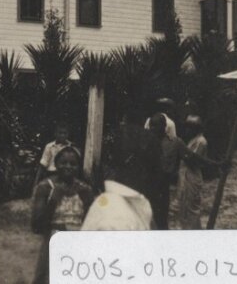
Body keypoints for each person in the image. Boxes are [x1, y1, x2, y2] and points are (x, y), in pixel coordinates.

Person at [81, 111, 158, 231]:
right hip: (138, 186)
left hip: (121, 184)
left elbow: (104, 160)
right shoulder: (150, 137)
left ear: (125, 118)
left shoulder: (116, 133)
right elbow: (155, 167)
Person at [30, 146, 93, 284]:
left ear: (78, 167)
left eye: (73, 164)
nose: (68, 167)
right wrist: (53, 200)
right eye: (63, 163)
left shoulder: (85, 190)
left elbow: (92, 225)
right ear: (55, 164)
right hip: (53, 244)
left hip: (78, 246)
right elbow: (36, 226)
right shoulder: (46, 187)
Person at [177, 116, 215, 229]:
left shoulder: (201, 141)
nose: (187, 130)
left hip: (192, 176)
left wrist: (180, 149)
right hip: (186, 176)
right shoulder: (193, 140)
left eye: (189, 128)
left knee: (192, 209)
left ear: (195, 128)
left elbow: (193, 160)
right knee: (184, 206)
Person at [33, 122, 73, 187]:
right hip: (51, 174)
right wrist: (36, 183)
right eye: (60, 133)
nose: (62, 135)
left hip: (65, 175)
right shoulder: (49, 147)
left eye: (65, 133)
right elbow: (43, 165)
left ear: (68, 134)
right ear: (55, 134)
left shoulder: (71, 147)